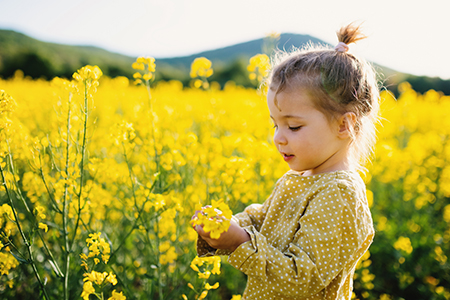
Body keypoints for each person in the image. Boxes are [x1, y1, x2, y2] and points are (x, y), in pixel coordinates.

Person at [193, 23, 379, 300]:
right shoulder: (305, 179)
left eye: (293, 127)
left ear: (344, 125)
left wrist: (239, 242)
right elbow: (264, 218)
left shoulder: (339, 194)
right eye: (275, 126)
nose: (278, 139)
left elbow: (301, 278)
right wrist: (226, 225)